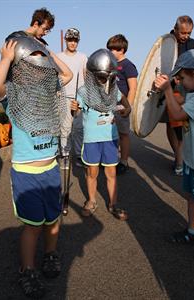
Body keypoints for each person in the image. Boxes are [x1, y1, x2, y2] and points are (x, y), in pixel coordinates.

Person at [0, 8, 73, 299]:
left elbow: (67, 73)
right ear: (21, 69)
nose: (40, 73)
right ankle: (27, 269)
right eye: (33, 67)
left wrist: (45, 51)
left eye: (42, 69)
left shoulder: (47, 91)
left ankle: (50, 256)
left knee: (52, 222)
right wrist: (7, 58)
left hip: (50, 168)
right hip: (26, 172)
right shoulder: (14, 96)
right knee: (32, 227)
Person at [71, 49, 131, 221]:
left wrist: (127, 109)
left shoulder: (114, 90)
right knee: (92, 172)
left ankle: (113, 203)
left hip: (110, 139)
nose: (102, 80)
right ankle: (91, 200)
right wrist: (73, 109)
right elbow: (75, 114)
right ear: (92, 74)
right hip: (91, 140)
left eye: (106, 76)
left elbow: (125, 102)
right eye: (99, 76)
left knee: (111, 174)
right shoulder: (83, 92)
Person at [154, 49, 194, 245]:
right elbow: (179, 101)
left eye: (181, 78)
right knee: (192, 197)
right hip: (192, 159)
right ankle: (192, 232)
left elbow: (176, 114)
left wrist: (167, 90)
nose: (179, 82)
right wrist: (161, 90)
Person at [161, 15, 194, 176]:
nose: (186, 36)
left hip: (186, 88)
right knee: (170, 123)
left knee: (182, 124)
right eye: (183, 33)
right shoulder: (165, 43)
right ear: (175, 29)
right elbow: (160, 64)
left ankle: (180, 158)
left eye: (189, 33)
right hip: (169, 87)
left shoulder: (193, 44)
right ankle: (178, 156)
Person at [106, 34, 138, 175]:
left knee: (123, 134)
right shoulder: (110, 65)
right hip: (109, 105)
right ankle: (110, 160)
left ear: (122, 49)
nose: (111, 52)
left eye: (114, 49)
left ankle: (124, 161)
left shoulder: (128, 65)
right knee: (109, 134)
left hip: (122, 106)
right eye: (110, 49)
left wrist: (128, 107)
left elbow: (133, 88)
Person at [57, 28, 87, 169]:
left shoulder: (83, 57)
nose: (72, 43)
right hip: (63, 96)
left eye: (75, 40)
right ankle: (65, 155)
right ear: (66, 40)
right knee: (65, 128)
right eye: (70, 40)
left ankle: (79, 156)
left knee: (79, 128)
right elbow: (55, 76)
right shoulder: (59, 57)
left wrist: (85, 96)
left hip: (79, 97)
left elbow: (86, 76)